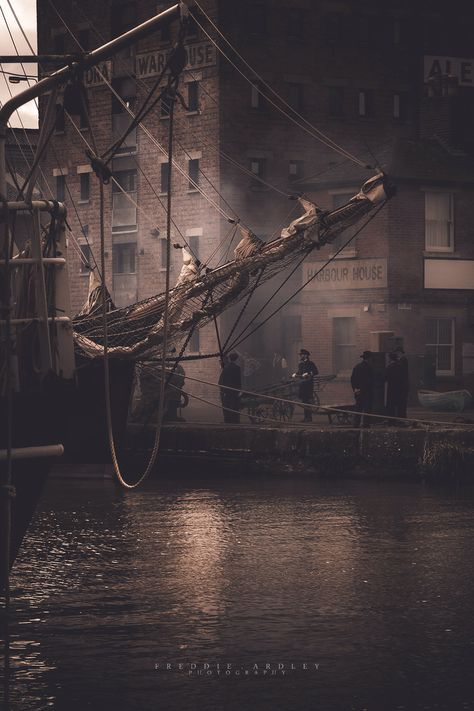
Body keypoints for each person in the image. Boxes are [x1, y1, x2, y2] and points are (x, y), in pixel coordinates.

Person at [292, 348, 318, 422]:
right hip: (302, 385)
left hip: (308, 385)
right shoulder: (301, 364)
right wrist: (295, 374)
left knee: (307, 401)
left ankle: (309, 417)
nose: (301, 356)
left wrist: (308, 373)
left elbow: (316, 372)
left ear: (306, 355)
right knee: (304, 401)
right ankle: (306, 417)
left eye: (302, 355)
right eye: (301, 355)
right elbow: (300, 372)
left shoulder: (311, 363)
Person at [351, 350, 374, 427]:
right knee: (367, 409)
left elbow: (353, 380)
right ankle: (366, 425)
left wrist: (355, 389)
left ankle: (356, 424)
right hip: (367, 392)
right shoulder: (369, 368)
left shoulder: (357, 367)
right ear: (369, 358)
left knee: (358, 408)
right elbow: (370, 380)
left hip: (358, 392)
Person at [218, 352, 242, 424]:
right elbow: (238, 381)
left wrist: (222, 391)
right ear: (236, 359)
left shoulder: (226, 368)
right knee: (235, 406)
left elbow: (220, 381)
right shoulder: (237, 368)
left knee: (226, 407)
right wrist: (239, 390)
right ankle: (236, 421)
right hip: (235, 391)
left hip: (226, 392)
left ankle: (227, 421)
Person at [384, 352, 404, 423]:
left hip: (391, 388)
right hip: (399, 388)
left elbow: (385, 378)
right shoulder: (400, 367)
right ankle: (400, 421)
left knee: (391, 405)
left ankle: (391, 421)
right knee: (399, 405)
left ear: (390, 359)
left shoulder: (389, 367)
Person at [395, 346, 409, 418]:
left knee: (402, 402)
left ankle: (402, 416)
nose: (397, 354)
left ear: (400, 352)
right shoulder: (403, 359)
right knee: (401, 402)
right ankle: (401, 416)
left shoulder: (403, 360)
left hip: (402, 385)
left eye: (397, 353)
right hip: (403, 385)